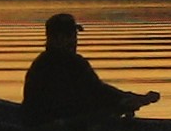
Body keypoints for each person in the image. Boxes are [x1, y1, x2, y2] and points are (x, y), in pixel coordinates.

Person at [22, 13, 160, 124]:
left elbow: (96, 91)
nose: (76, 41)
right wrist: (125, 100)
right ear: (58, 38)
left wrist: (129, 98)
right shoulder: (72, 62)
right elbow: (98, 91)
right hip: (61, 123)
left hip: (47, 121)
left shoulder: (41, 62)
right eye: (72, 36)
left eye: (74, 36)